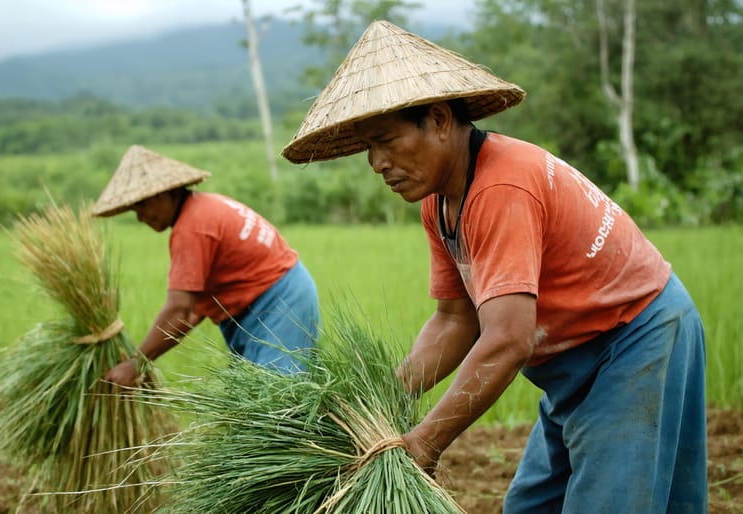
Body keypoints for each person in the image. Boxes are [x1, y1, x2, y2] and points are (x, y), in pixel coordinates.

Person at [282, 20, 706, 514]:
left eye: (386, 141)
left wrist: (424, 442)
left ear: (439, 120)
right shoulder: (440, 202)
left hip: (635, 341)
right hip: (571, 364)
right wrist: (384, 396)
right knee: (530, 505)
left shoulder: (502, 188)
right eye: (367, 149)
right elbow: (455, 320)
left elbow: (507, 339)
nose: (376, 162)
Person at [93, 144, 321, 384]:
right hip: (275, 301)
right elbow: (190, 313)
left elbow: (179, 309)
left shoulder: (192, 228)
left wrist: (136, 363)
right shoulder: (201, 208)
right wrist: (145, 359)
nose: (139, 217)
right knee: (253, 404)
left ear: (163, 193)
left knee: (280, 403)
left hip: (279, 305)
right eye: (133, 210)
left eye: (141, 205)